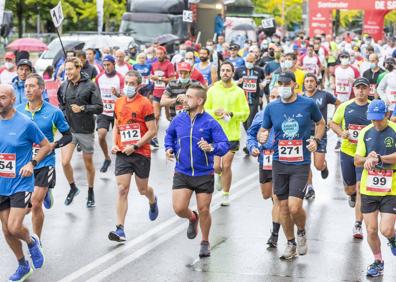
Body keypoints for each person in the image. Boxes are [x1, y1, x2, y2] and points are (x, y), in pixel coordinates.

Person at [258, 71, 325, 260]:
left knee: (295, 207)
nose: (283, 86)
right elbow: (263, 130)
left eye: (286, 83)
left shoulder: (308, 104)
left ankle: (301, 231)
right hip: (279, 163)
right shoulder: (272, 107)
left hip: (300, 163)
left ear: (295, 85)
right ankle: (290, 243)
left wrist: (316, 140)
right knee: (283, 206)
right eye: (279, 83)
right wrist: (261, 136)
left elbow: (321, 123)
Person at [165, 83, 229, 257]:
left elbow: (224, 144)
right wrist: (169, 148)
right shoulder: (179, 119)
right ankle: (192, 218)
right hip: (183, 171)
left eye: (190, 97)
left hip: (203, 173)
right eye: (186, 96)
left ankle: (205, 241)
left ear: (200, 100)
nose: (185, 99)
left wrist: (211, 148)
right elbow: (169, 134)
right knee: (179, 209)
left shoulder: (210, 122)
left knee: (205, 210)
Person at [0, 84, 51, 282]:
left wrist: (32, 163)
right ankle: (23, 265)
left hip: (21, 183)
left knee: (14, 227)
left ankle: (31, 242)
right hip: (1, 183)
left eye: (3, 97)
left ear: (13, 100)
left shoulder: (25, 123)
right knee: (6, 230)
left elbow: (46, 145)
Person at [16, 73, 72, 241]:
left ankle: (37, 241)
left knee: (35, 203)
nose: (28, 89)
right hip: (24, 164)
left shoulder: (53, 112)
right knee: (22, 207)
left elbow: (68, 136)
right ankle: (46, 192)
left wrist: (54, 145)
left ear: (42, 88)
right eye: (26, 86)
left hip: (44, 163)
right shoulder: (18, 111)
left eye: (32, 86)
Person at [108, 70, 159, 242]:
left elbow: (153, 131)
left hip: (141, 151)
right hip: (123, 151)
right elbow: (116, 126)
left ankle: (152, 199)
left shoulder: (145, 103)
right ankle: (120, 229)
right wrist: (115, 143)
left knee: (142, 189)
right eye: (126, 83)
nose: (128, 86)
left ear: (138, 85)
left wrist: (136, 145)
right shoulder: (119, 102)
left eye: (132, 84)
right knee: (122, 189)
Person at [354, 99, 396, 277]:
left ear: (387, 115)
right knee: (370, 229)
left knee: (385, 229)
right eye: (372, 119)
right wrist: (367, 159)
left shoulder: (394, 130)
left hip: (391, 188)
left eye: (379, 118)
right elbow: (357, 160)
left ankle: (392, 238)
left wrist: (379, 158)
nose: (376, 123)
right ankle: (378, 261)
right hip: (368, 188)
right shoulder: (365, 132)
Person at [57, 57, 103, 208]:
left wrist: (83, 108)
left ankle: (90, 192)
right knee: (64, 162)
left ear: (78, 68)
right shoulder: (63, 86)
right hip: (69, 130)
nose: (67, 72)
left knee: (88, 164)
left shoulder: (90, 85)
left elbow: (99, 107)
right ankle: (73, 188)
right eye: (66, 69)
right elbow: (61, 104)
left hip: (85, 130)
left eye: (70, 69)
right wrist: (63, 113)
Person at [329, 77, 371, 240]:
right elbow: (332, 123)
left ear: (369, 90)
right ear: (354, 89)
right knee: (350, 189)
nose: (361, 91)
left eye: (364, 88)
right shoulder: (345, 106)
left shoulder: (372, 107)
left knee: (361, 188)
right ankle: (351, 195)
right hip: (347, 152)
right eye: (358, 88)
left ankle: (357, 224)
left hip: (364, 156)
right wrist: (341, 133)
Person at [205, 61, 250, 206]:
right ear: (220, 73)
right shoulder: (212, 90)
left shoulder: (238, 92)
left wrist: (231, 114)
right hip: (214, 135)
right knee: (216, 167)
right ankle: (218, 175)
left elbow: (245, 113)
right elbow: (205, 110)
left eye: (228, 70)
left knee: (226, 165)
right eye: (223, 70)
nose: (225, 72)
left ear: (232, 72)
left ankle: (225, 194)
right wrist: (216, 113)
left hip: (232, 135)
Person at [247, 88, 281, 248]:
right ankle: (279, 210)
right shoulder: (261, 115)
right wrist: (253, 147)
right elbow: (251, 134)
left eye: (278, 97)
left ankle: (274, 233)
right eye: (272, 96)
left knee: (277, 197)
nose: (274, 99)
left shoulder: (287, 114)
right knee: (266, 195)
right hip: (265, 158)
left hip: (282, 159)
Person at [302, 73, 340, 199]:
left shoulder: (324, 95)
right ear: (304, 84)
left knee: (317, 165)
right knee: (305, 162)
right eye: (306, 81)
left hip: (320, 133)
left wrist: (333, 119)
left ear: (316, 83)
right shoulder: (300, 98)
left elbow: (338, 103)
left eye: (311, 81)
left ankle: (324, 166)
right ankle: (310, 187)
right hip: (305, 134)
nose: (309, 83)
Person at [95, 55, 124, 173]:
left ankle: (121, 161)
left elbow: (125, 96)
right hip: (104, 111)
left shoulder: (120, 78)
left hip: (118, 112)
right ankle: (107, 158)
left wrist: (117, 94)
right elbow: (95, 93)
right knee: (101, 135)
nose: (106, 67)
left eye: (109, 65)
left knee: (119, 139)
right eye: (104, 65)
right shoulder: (99, 78)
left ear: (114, 64)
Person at [234, 53, 265, 154]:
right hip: (241, 101)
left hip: (253, 100)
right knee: (244, 122)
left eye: (251, 61)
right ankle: (252, 138)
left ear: (254, 61)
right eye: (248, 61)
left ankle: (249, 145)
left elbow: (262, 83)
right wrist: (238, 82)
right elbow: (233, 81)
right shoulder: (239, 70)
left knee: (250, 122)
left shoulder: (259, 70)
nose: (249, 63)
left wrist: (261, 95)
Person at [150, 46, 176, 148]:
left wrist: (159, 78)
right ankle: (154, 138)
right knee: (155, 116)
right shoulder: (154, 65)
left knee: (169, 117)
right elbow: (152, 78)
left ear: (164, 54)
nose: (159, 55)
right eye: (157, 54)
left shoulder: (169, 65)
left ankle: (173, 136)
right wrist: (152, 79)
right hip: (156, 93)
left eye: (161, 54)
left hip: (167, 94)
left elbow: (172, 79)